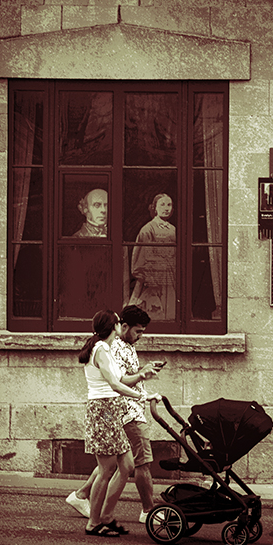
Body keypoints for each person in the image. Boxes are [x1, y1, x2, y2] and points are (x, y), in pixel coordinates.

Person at [66, 305, 163, 524]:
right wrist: (141, 395)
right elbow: (115, 383)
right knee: (122, 466)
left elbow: (122, 379)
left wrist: (141, 377)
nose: (140, 336)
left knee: (119, 465)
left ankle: (92, 506)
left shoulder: (110, 346)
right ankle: (132, 513)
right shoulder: (105, 348)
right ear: (118, 326)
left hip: (115, 409)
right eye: (137, 331)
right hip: (114, 411)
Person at [129, 194, 176, 320]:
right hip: (154, 279)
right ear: (155, 207)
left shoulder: (173, 230)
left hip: (170, 278)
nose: (166, 208)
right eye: (162, 204)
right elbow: (143, 257)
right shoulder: (148, 229)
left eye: (169, 205)